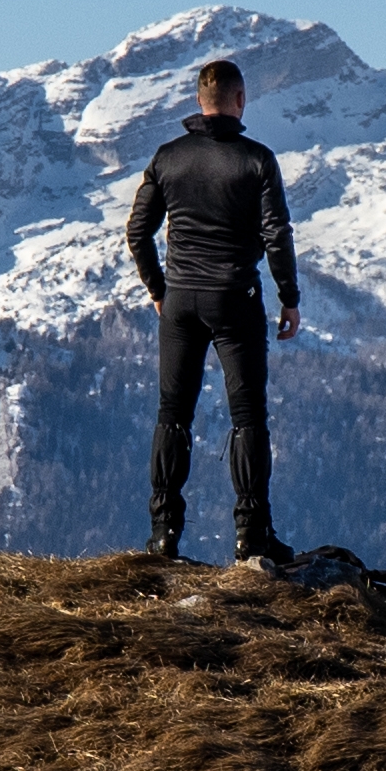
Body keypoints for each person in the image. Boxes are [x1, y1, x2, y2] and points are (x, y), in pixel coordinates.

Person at [123, 55, 303, 561]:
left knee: (172, 414)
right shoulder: (257, 160)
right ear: (240, 100)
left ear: (200, 102)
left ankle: (163, 534)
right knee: (247, 419)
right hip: (235, 301)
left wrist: (160, 289)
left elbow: (137, 232)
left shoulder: (167, 157)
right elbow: (276, 235)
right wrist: (289, 298)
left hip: (180, 301)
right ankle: (252, 537)